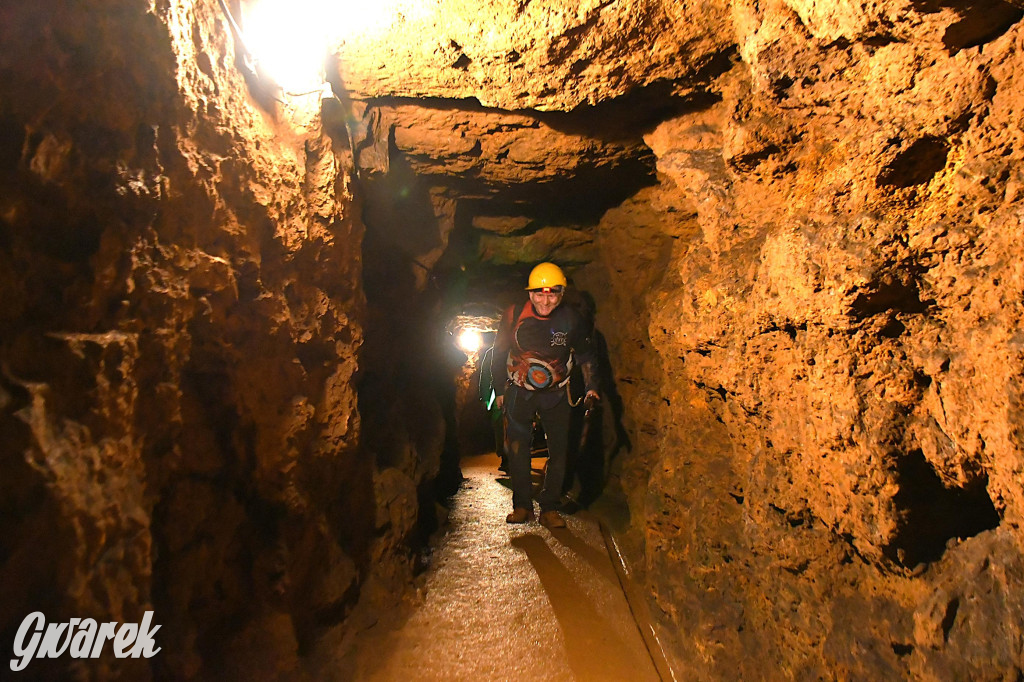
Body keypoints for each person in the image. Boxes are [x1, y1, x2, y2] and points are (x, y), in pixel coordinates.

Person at [491, 262, 600, 528]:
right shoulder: (514, 314)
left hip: (556, 392)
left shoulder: (571, 319)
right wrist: (498, 389)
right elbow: (498, 351)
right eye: (539, 294)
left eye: (552, 294)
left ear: (561, 294)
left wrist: (591, 386)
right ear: (530, 294)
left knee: (559, 450)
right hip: (519, 391)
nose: (545, 300)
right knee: (518, 450)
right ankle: (522, 506)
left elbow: (586, 355)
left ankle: (549, 507)